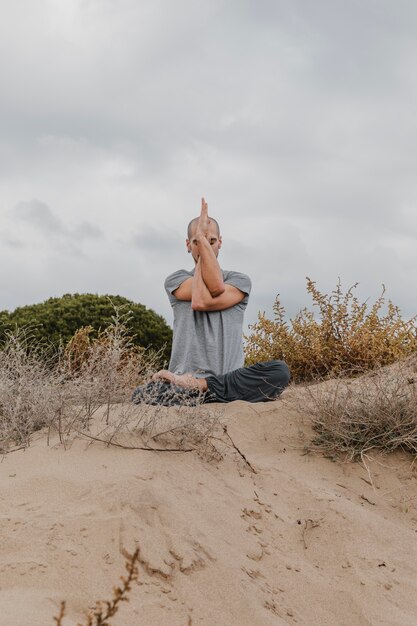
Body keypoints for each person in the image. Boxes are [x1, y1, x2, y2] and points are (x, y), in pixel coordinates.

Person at [132, 198, 290, 405]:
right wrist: (203, 246)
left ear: (220, 242)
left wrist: (201, 240)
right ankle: (198, 391)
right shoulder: (176, 280)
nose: (205, 246)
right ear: (188, 245)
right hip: (181, 381)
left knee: (279, 371)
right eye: (197, 242)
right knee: (142, 395)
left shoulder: (239, 280)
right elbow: (200, 298)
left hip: (229, 381)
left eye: (211, 241)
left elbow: (210, 294)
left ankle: (203, 386)